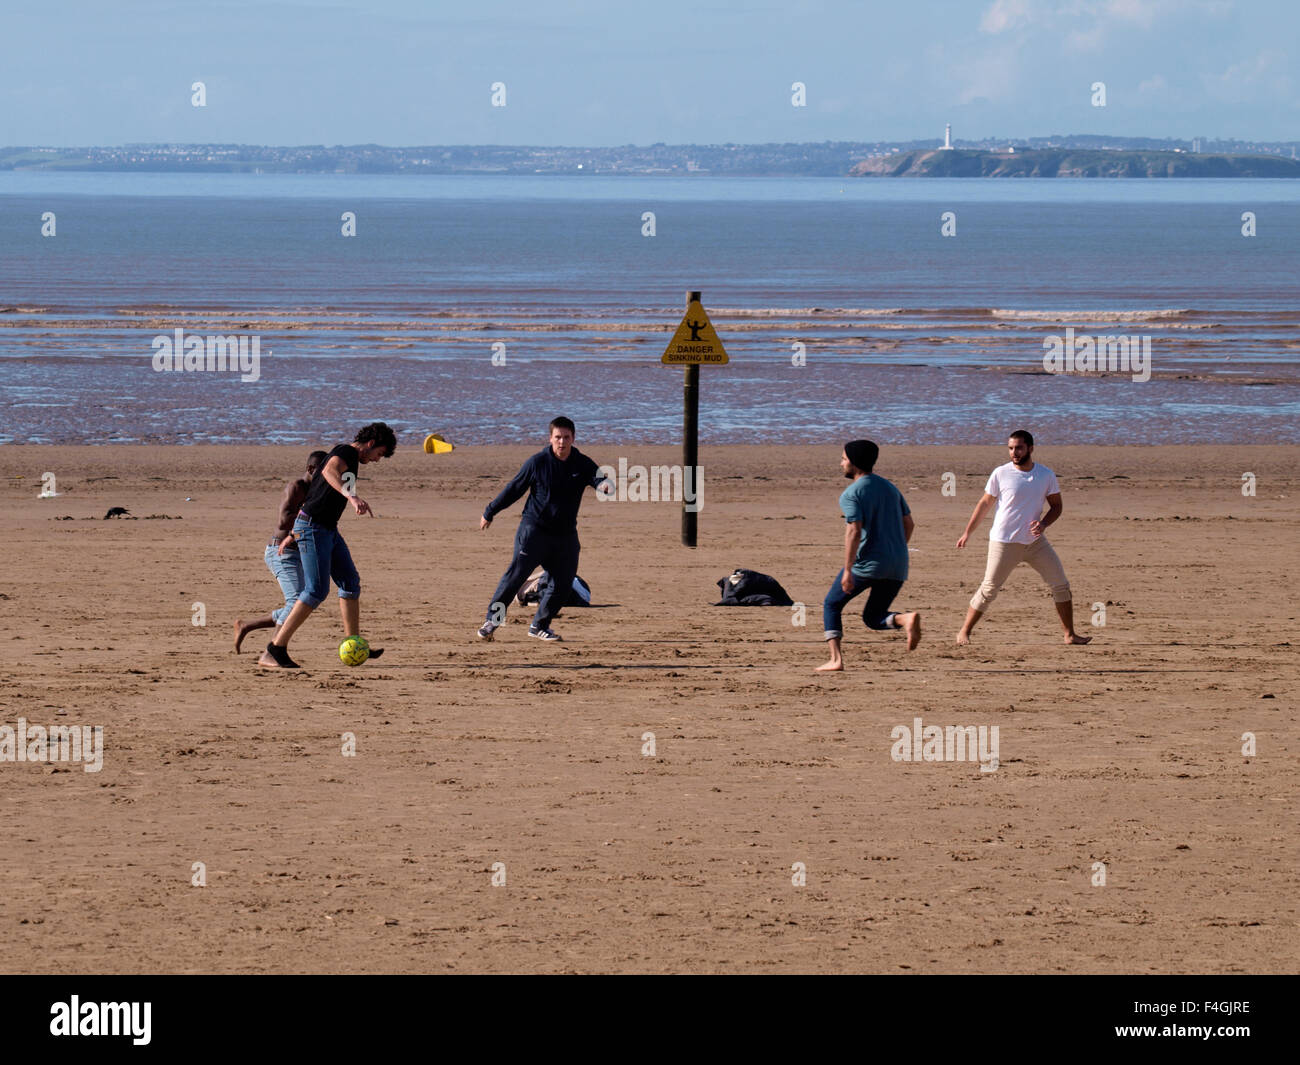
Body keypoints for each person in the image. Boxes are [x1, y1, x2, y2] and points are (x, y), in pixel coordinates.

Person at [260, 422, 397, 669]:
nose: (378, 460)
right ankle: (274, 649)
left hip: (326, 528)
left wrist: (294, 533)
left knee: (350, 582)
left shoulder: (351, 459)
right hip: (314, 527)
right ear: (370, 444)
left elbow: (316, 494)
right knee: (315, 591)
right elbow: (329, 472)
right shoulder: (345, 452)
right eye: (379, 454)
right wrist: (351, 496)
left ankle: (353, 644)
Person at [477, 417, 609, 642]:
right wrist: (490, 511)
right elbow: (514, 489)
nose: (562, 442)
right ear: (550, 439)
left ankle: (539, 625)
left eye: (566, 437)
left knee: (564, 582)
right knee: (514, 578)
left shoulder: (582, 463)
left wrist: (604, 486)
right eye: (557, 437)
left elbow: (599, 479)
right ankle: (493, 620)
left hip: (565, 535)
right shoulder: (537, 462)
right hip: (534, 531)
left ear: (573, 438)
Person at [955, 429, 1091, 646]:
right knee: (989, 589)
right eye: (1010, 448)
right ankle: (964, 631)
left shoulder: (1045, 475)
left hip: (1035, 543)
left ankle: (1070, 635)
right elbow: (984, 504)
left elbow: (1057, 506)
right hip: (1004, 542)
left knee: (1060, 584)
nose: (1014, 452)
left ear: (1030, 448)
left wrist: (1044, 523)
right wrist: (967, 533)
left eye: (1018, 447)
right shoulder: (1000, 473)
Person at [817, 439, 921, 672]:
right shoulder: (890, 487)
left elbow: (853, 531)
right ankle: (905, 619)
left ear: (853, 462)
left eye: (843, 459)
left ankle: (836, 660)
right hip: (897, 565)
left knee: (831, 605)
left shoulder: (851, 493)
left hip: (867, 565)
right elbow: (909, 524)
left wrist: (847, 570)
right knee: (873, 618)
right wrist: (894, 549)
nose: (841, 463)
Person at [234, 449, 327, 652]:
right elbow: (284, 520)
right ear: (311, 469)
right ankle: (273, 650)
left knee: (305, 601)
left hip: (300, 553)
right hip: (281, 553)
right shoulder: (297, 487)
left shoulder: (317, 492)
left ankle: (246, 625)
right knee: (296, 602)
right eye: (323, 471)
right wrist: (311, 516)